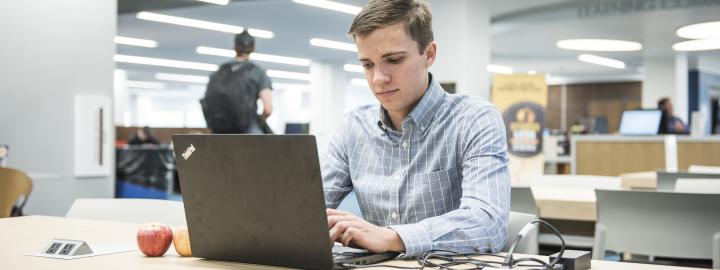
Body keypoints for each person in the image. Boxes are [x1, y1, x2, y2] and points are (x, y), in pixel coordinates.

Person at [322, 0, 510, 257]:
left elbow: (488, 224)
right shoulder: (354, 127)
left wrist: (393, 237)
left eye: (394, 60)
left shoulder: (474, 119)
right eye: (367, 64)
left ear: (429, 54)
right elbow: (308, 209)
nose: (378, 78)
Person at [202, 30, 273, 134]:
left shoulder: (218, 72)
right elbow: (268, 109)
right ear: (253, 48)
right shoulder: (257, 72)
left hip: (219, 131)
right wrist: (259, 121)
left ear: (234, 47)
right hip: (247, 131)